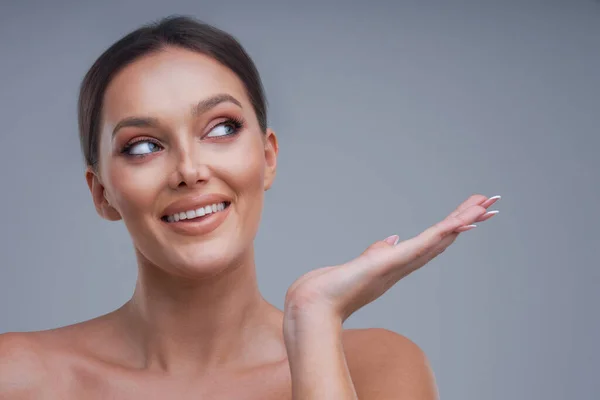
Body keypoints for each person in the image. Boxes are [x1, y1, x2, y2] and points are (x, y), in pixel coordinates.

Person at [0, 15, 500, 399]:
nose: (189, 170)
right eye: (143, 145)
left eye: (221, 128)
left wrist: (314, 320)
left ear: (267, 156)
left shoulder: (378, 367)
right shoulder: (18, 376)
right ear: (102, 193)